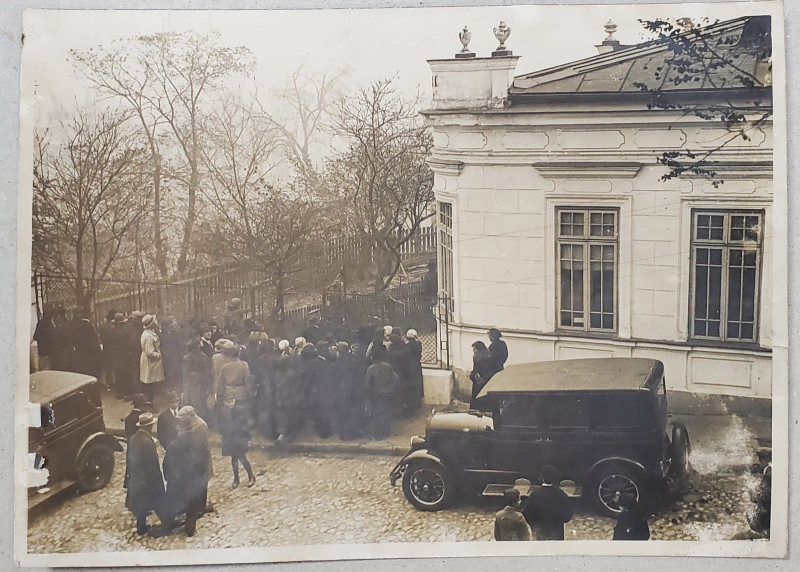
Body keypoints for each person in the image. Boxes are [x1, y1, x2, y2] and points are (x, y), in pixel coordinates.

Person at [155, 407, 213, 538]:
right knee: (192, 502)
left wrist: (170, 478)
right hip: (193, 478)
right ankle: (190, 527)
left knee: (178, 500)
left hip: (181, 479)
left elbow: (167, 464)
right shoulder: (195, 441)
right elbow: (203, 458)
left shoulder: (176, 444)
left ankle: (171, 525)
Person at [124, 412, 165, 535]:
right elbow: (152, 464)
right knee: (157, 500)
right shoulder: (148, 442)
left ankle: (141, 527)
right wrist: (158, 481)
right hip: (146, 480)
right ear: (149, 426)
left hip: (136, 478)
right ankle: (167, 522)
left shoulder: (133, 438)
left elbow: (129, 459)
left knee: (141, 505)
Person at [522, 465, 574, 540]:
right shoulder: (560, 494)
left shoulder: (534, 494)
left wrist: (535, 524)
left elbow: (527, 514)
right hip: (556, 530)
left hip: (539, 531)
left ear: (541, 477)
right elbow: (568, 513)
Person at [219, 395, 256, 489]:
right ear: (225, 403)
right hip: (230, 439)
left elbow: (244, 425)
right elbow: (221, 424)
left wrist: (244, 437)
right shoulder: (224, 412)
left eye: (232, 401)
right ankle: (236, 479)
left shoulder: (240, 410)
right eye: (228, 402)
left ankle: (251, 476)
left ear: (234, 401)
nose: (230, 404)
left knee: (243, 458)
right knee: (234, 459)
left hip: (239, 438)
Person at [365, 346, 399, 440]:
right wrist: (392, 389)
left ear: (373, 357)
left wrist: (369, 396)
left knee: (376, 414)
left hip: (377, 396)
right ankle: (386, 432)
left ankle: (378, 434)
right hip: (388, 394)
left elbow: (368, 385)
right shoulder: (388, 366)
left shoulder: (370, 369)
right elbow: (396, 379)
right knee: (387, 413)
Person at [182, 338, 214, 422]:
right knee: (201, 402)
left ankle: (190, 420)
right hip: (202, 383)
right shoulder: (204, 357)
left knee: (190, 400)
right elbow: (208, 373)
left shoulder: (186, 358)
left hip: (190, 383)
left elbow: (184, 373)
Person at [139, 314, 165, 403]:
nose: (157, 322)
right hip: (151, 362)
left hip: (152, 363)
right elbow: (149, 352)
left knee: (152, 383)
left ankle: (151, 403)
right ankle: (149, 404)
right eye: (155, 321)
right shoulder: (148, 336)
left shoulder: (150, 333)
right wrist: (159, 355)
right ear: (152, 324)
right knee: (150, 384)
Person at [469, 341, 500, 409]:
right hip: (477, 384)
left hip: (486, 383)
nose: (474, 351)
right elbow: (475, 370)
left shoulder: (489, 358)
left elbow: (492, 370)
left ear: (479, 349)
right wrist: (473, 376)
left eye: (475, 349)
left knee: (485, 403)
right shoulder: (475, 357)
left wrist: (483, 379)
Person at [32, 305, 57, 371]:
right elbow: (53, 338)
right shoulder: (50, 325)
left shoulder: (40, 323)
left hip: (42, 353)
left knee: (43, 371)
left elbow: (35, 336)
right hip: (49, 353)